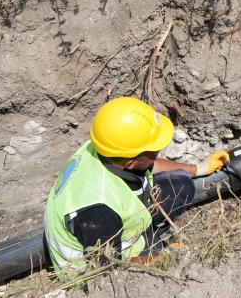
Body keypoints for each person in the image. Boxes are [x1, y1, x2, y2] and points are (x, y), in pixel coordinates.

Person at [44, 97, 229, 269]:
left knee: (180, 185)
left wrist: (200, 168)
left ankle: (148, 236)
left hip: (117, 224)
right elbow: (106, 267)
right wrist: (166, 257)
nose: (159, 151)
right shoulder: (98, 210)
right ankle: (151, 247)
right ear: (131, 163)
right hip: (97, 270)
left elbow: (150, 164)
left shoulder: (106, 148)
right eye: (154, 150)